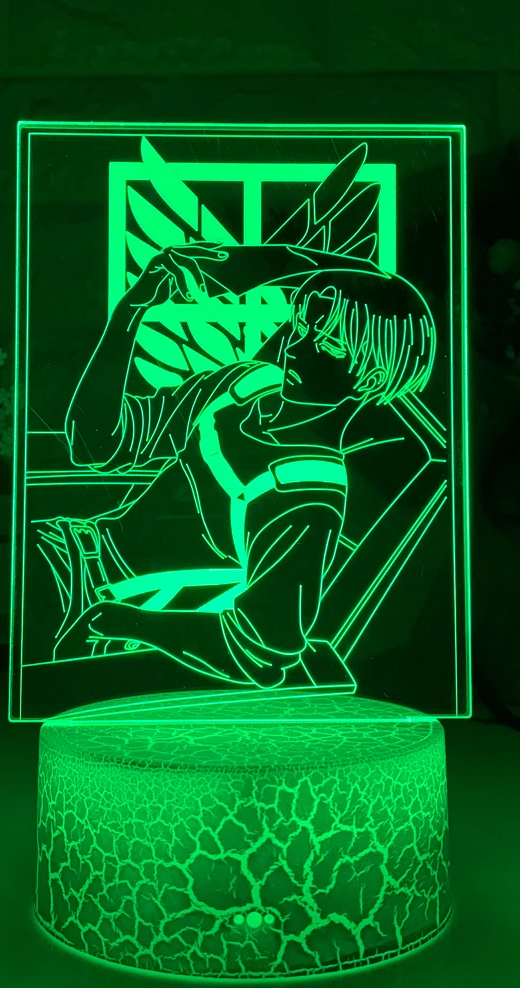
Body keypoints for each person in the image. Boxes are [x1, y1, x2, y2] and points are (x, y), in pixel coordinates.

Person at [51, 242, 437, 689]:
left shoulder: (307, 494)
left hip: (102, 597)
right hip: (68, 545)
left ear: (371, 375)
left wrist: (125, 622)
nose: (297, 345)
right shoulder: (247, 382)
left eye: (329, 343)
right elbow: (94, 444)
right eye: (304, 321)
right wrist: (132, 309)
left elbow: (263, 650)